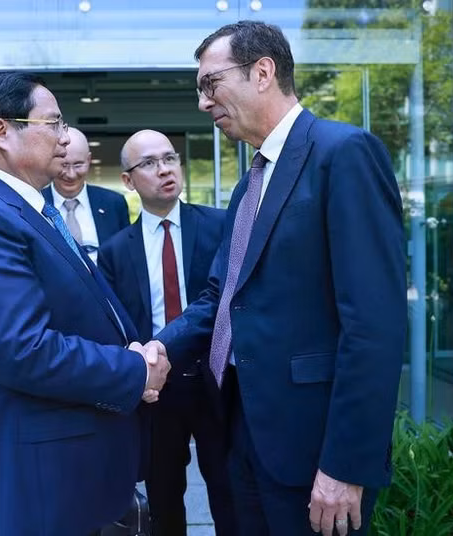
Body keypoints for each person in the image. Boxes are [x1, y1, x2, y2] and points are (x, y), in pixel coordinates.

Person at [153, 21, 406, 536]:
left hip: (316, 454)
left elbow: (374, 327)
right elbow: (221, 299)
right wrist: (154, 349)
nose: (203, 103)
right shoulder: (250, 183)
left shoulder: (344, 154)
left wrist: (345, 466)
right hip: (242, 436)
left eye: (210, 84)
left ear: (262, 72)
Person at [0, 72, 170, 536]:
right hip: (38, 478)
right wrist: (133, 371)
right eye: (54, 123)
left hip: (70, 465)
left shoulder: (24, 207)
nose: (65, 138)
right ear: (2, 131)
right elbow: (25, 352)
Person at [99, 129, 235, 536]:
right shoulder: (115, 251)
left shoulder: (219, 225)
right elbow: (117, 325)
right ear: (128, 180)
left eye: (170, 158)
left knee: (231, 496)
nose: (164, 170)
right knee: (163, 500)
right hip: (157, 393)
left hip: (219, 384)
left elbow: (227, 302)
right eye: (150, 163)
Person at [42, 127, 130, 262]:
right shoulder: (37, 203)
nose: (71, 174)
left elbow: (125, 257)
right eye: (64, 165)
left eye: (78, 165)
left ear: (89, 160)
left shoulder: (113, 203)